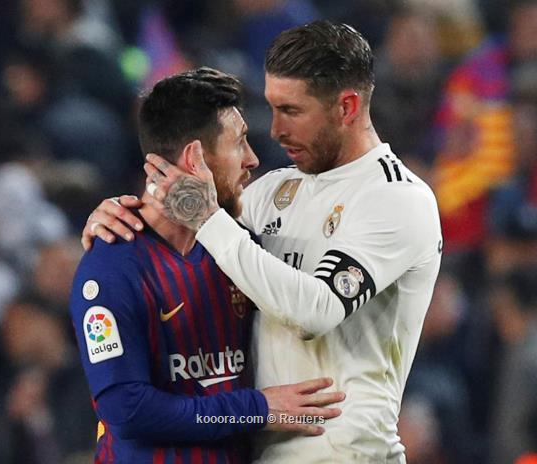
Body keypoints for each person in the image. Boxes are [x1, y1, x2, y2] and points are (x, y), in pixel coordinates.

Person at [84, 21, 442, 463]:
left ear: (347, 107)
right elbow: (186, 233)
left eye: (291, 110)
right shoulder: (271, 192)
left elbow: (315, 311)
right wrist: (121, 219)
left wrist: (208, 217)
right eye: (271, 108)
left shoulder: (397, 198)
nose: (274, 130)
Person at [71, 67, 344, 464]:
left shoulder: (240, 250)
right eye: (239, 143)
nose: (252, 159)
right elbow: (127, 411)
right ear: (194, 158)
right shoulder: (111, 266)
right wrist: (256, 409)